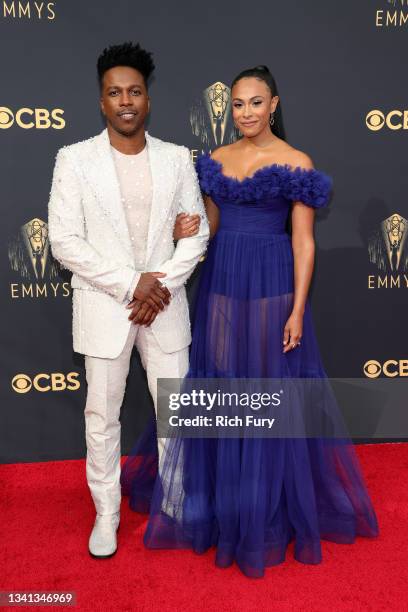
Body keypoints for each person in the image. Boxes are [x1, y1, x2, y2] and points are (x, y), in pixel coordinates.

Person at [122, 65, 379, 578]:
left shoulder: (296, 162)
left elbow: (304, 240)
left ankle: (263, 512)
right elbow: (211, 226)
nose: (245, 113)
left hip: (271, 283)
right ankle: (224, 506)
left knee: (267, 393)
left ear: (274, 104)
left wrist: (299, 308)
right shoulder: (217, 160)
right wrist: (188, 228)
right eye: (238, 104)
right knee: (221, 388)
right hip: (222, 280)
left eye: (256, 103)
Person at [48, 42, 209, 559]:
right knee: (101, 416)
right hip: (105, 305)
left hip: (163, 307)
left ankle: (178, 504)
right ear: (101, 102)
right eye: (114, 92)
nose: (125, 100)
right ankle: (107, 513)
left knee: (176, 412)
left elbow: (197, 233)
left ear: (148, 99)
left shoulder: (176, 158)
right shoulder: (73, 160)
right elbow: (64, 240)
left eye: (134, 91)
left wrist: (156, 286)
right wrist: (129, 284)